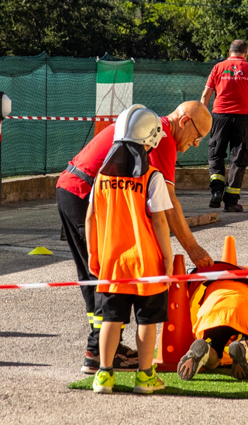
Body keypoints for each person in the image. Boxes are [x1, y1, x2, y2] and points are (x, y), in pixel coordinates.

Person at [56, 101, 214, 375]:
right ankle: (98, 355)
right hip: (83, 193)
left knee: (96, 275)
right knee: (106, 278)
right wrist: (193, 249)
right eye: (198, 136)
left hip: (72, 188)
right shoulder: (161, 136)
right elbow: (167, 206)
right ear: (185, 121)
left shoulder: (147, 125)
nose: (197, 144)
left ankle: (104, 349)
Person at [87, 104, 172, 394]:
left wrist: (93, 254)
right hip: (147, 263)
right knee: (147, 320)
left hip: (112, 262)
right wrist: (168, 257)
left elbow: (90, 218)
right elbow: (160, 221)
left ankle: (104, 375)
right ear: (150, 139)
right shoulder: (152, 177)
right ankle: (145, 377)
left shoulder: (101, 177)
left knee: (111, 318)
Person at [201, 39, 248, 212]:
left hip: (219, 117)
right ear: (246, 53)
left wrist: (204, 119)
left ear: (229, 52)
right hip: (242, 119)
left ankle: (216, 191)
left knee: (216, 154)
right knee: (239, 159)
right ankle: (231, 201)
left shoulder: (218, 68)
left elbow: (205, 96)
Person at [176, 280, 248, 381]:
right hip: (243, 307)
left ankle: (207, 351)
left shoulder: (212, 283)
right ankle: (245, 346)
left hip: (213, 309)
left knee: (214, 359)